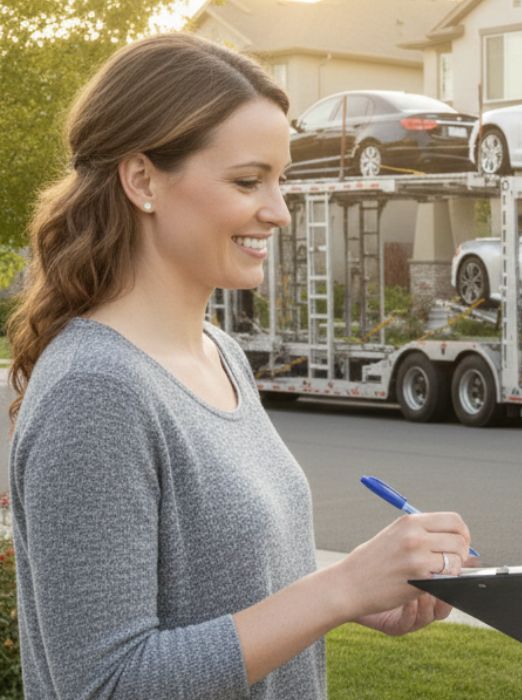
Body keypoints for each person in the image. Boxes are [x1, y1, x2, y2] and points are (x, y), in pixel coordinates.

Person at [7, 33, 473, 698]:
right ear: (142, 180)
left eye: (281, 181)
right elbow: (106, 685)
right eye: (248, 181)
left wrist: (365, 598)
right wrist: (338, 588)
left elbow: (230, 595)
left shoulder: (218, 352)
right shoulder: (97, 390)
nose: (279, 212)